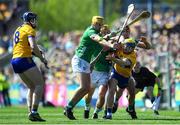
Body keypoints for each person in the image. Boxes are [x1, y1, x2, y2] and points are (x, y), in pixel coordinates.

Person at [64, 16, 118, 120]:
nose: (100, 26)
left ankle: (69, 107)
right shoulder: (90, 31)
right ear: (93, 24)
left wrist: (111, 37)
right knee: (84, 87)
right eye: (98, 24)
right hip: (80, 60)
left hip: (85, 62)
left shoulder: (98, 33)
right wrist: (111, 44)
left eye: (101, 25)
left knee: (86, 88)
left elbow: (103, 40)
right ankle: (68, 108)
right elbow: (98, 39)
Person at [105, 26, 151, 119]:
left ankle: (129, 108)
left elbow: (148, 47)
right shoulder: (118, 40)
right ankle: (108, 112)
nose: (125, 33)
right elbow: (105, 40)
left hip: (127, 72)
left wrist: (145, 41)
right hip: (115, 71)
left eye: (127, 31)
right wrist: (112, 42)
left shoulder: (133, 42)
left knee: (129, 92)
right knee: (112, 89)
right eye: (123, 31)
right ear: (121, 32)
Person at [11, 12, 47, 121]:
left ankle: (30, 112)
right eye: (34, 19)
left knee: (31, 87)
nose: (35, 21)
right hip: (23, 59)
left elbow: (23, 47)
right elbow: (32, 46)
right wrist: (42, 58)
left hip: (15, 60)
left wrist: (35, 52)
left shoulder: (18, 29)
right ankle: (34, 112)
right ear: (31, 20)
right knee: (40, 84)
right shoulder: (29, 29)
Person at [83, 24, 112, 119]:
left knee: (101, 94)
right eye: (103, 32)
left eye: (107, 32)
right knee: (89, 94)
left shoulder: (110, 44)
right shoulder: (95, 42)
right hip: (94, 71)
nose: (105, 34)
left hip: (104, 72)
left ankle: (96, 112)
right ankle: (87, 108)